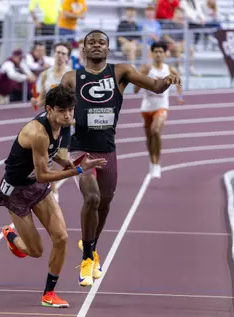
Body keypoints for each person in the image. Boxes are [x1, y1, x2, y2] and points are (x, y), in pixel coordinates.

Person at [60, 30, 181, 287]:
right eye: (91, 43)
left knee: (103, 205)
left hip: (107, 149)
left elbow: (157, 87)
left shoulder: (121, 72)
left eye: (101, 43)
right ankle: (86, 259)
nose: (96, 46)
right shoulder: (72, 77)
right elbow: (59, 109)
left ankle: (91, 247)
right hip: (80, 149)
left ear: (107, 48)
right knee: (91, 197)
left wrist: (169, 79)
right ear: (83, 49)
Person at [0, 84, 107, 307]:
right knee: (36, 251)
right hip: (16, 192)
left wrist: (67, 162)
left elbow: (52, 152)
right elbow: (43, 175)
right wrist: (77, 170)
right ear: (49, 109)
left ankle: (49, 294)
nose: (68, 115)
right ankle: (10, 235)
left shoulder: (61, 124)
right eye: (62, 110)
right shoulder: (38, 133)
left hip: (37, 188)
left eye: (70, 110)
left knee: (62, 237)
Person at [134, 41, 183, 178]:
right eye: (156, 52)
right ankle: (152, 161)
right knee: (149, 136)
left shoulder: (169, 69)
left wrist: (180, 96)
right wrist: (142, 80)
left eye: (161, 52)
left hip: (161, 105)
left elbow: (178, 82)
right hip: (147, 106)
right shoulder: (147, 68)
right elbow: (135, 89)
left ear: (165, 53)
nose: (158, 54)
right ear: (152, 53)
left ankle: (157, 163)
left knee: (155, 130)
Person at [31, 42, 73, 202]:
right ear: (53, 54)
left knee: (61, 158)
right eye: (58, 52)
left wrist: (72, 116)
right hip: (48, 121)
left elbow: (76, 100)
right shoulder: (45, 75)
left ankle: (50, 185)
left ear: (67, 57)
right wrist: (36, 100)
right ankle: (53, 190)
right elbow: (42, 98)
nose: (60, 55)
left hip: (65, 122)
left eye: (63, 53)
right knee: (47, 155)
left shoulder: (70, 75)